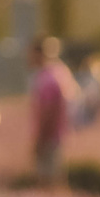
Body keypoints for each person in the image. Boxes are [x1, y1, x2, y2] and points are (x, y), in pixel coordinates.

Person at [29, 37, 75, 184]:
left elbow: (47, 112)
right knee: (55, 177)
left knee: (48, 180)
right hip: (57, 134)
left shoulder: (47, 79)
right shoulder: (60, 72)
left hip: (49, 136)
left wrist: (39, 140)